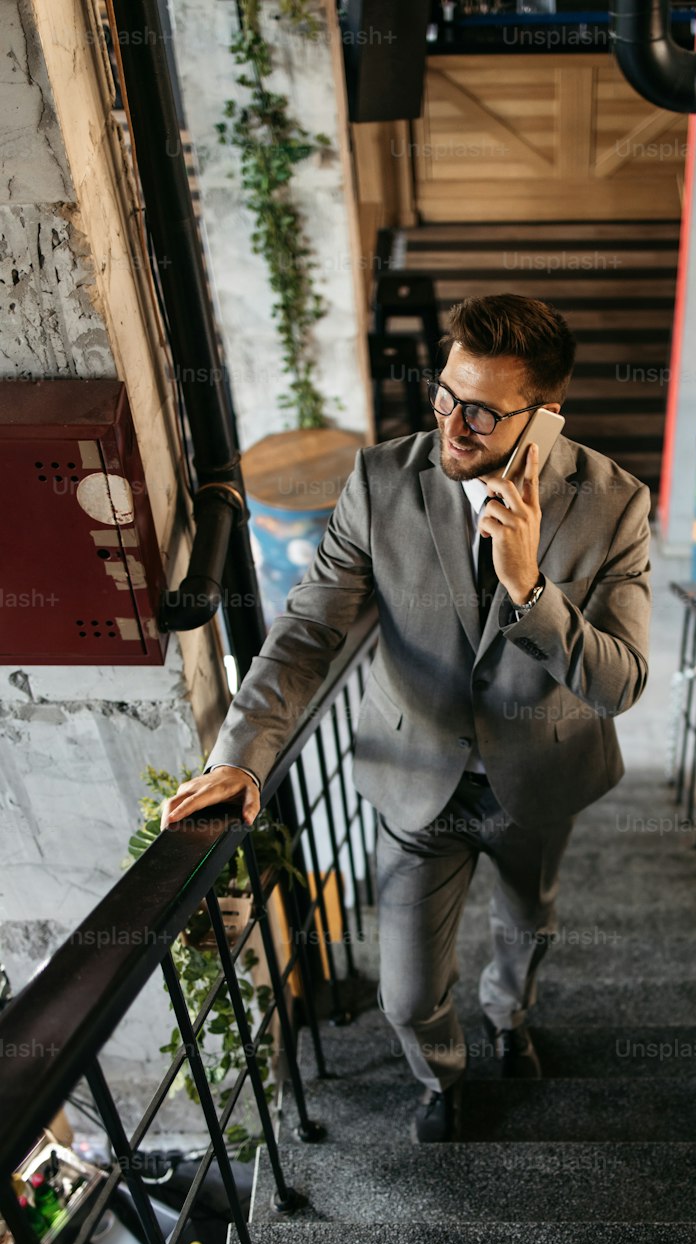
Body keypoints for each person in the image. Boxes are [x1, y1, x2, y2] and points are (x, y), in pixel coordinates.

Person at [160, 294, 651, 1142]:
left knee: (527, 924)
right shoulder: (381, 481)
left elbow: (622, 683)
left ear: (544, 416)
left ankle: (511, 1017)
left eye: (485, 412)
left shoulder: (615, 504)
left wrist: (530, 588)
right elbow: (310, 628)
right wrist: (242, 756)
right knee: (406, 994)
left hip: (539, 776)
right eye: (445, 395)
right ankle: (443, 1075)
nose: (454, 426)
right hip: (416, 774)